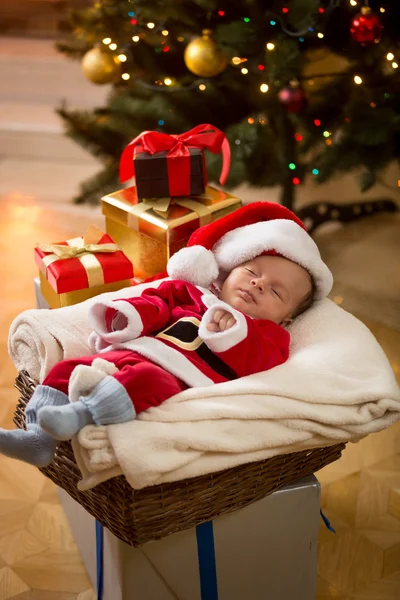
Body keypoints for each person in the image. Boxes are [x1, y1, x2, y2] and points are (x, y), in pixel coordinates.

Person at [0, 201, 333, 467]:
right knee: (65, 370)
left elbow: (261, 361)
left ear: (286, 320)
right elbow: (157, 301)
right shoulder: (195, 294)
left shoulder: (270, 336)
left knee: (147, 380)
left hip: (181, 377)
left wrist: (235, 333)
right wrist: (129, 315)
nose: (258, 284)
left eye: (276, 293)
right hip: (132, 350)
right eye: (251, 272)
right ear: (227, 272)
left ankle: (81, 414)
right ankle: (37, 440)